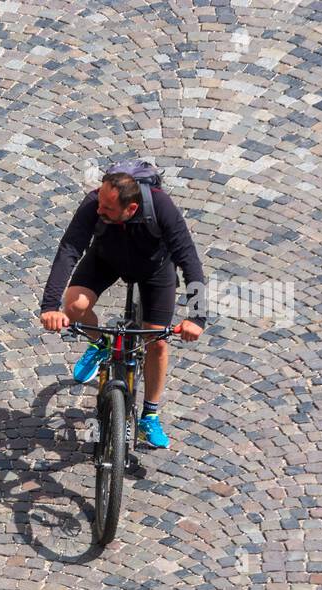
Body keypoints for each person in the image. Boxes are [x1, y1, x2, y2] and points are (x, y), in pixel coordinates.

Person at [39, 170, 205, 448]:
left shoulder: (162, 208)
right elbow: (69, 249)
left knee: (157, 342)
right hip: (106, 259)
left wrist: (198, 318)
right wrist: (50, 306)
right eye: (99, 201)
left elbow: (189, 260)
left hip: (155, 268)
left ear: (131, 208)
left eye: (107, 207)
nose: (98, 209)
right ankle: (101, 344)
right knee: (75, 305)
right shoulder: (94, 203)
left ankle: (149, 415)